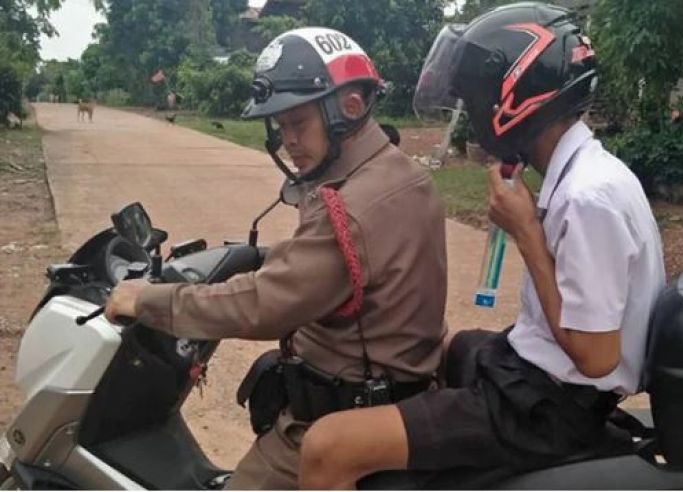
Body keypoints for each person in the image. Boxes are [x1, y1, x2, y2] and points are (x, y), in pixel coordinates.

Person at [297, 3, 666, 489]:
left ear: (514, 97)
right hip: (536, 377)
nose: (470, 114)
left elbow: (596, 357)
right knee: (442, 348)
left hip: (549, 408)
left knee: (327, 448)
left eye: (472, 99)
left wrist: (527, 233)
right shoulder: (579, 173)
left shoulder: (587, 198)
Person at [104, 27, 448, 489]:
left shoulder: (350, 206)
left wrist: (147, 300)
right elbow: (345, 270)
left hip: (337, 421)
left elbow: (261, 305)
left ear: (346, 108)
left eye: (298, 123)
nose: (289, 141)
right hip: (395, 398)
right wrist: (272, 257)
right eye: (281, 127)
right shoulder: (398, 174)